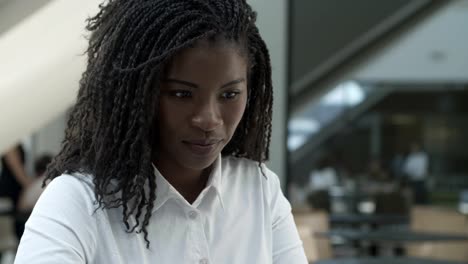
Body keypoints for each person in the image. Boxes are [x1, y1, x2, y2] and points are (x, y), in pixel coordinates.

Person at [15, 1, 307, 263]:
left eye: (229, 95)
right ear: (134, 94)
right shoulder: (76, 201)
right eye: (181, 94)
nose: (208, 119)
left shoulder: (258, 189)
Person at [0, 144, 33, 239]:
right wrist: (32, 185)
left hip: (14, 187)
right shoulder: (11, 146)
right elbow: (17, 170)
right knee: (20, 223)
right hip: (10, 189)